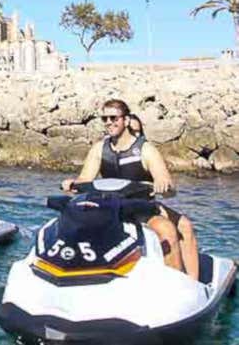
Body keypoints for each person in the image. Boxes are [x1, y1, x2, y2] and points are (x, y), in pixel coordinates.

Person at [62, 99, 199, 280]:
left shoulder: (146, 150)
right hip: (109, 208)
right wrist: (72, 184)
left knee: (171, 228)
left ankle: (185, 284)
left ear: (125, 120)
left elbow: (167, 185)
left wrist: (164, 186)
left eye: (113, 118)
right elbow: (85, 179)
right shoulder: (99, 149)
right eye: (105, 119)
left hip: (141, 209)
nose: (109, 122)